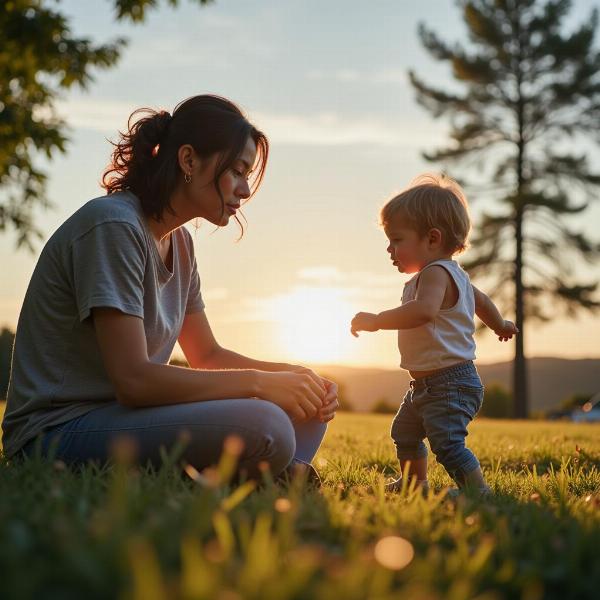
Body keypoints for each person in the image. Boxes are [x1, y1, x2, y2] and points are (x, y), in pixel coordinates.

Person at [2, 94, 338, 481]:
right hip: (55, 432)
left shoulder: (180, 244)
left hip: (126, 420)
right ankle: (267, 473)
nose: (245, 191)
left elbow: (208, 355)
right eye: (239, 171)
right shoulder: (113, 227)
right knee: (268, 424)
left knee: (309, 407)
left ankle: (265, 472)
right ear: (189, 160)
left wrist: (297, 376)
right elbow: (133, 381)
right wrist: (261, 384)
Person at [350, 174, 517, 495]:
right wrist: (499, 324)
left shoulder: (436, 273)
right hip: (428, 384)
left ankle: (477, 493)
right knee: (405, 432)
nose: (389, 249)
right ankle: (414, 483)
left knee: (448, 443)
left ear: (432, 238)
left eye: (397, 239)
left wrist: (377, 320)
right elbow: (481, 301)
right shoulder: (453, 275)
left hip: (449, 382)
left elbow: (423, 311)